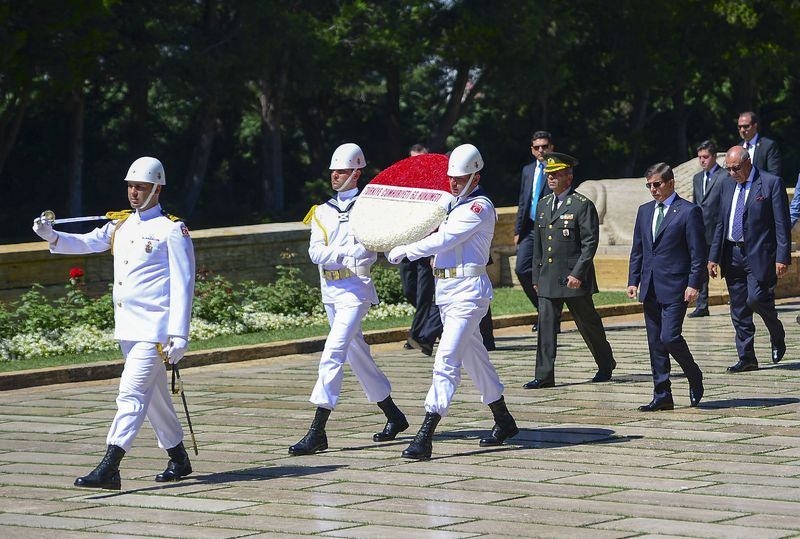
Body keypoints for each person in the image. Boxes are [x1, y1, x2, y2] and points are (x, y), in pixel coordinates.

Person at [31, 156, 195, 490]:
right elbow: (88, 241)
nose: (134, 193)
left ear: (157, 189)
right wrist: (52, 236)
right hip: (128, 328)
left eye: (142, 187)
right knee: (156, 398)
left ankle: (110, 466)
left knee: (131, 393)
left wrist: (179, 333)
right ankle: (179, 458)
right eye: (131, 186)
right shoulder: (120, 225)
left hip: (155, 331)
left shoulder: (171, 230)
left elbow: (184, 283)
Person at [387, 143, 518, 460]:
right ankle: (503, 420)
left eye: (460, 178)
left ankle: (425, 435)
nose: (454, 183)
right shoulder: (453, 203)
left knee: (446, 359)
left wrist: (407, 249)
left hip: (468, 293)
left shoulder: (479, 207)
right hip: (447, 293)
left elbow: (445, 239)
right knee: (475, 359)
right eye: (451, 178)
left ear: (476, 176)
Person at [292, 142, 408, 455]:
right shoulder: (322, 211)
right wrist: (345, 253)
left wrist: (347, 255)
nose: (334, 175)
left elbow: (372, 247)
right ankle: (394, 416)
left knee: (333, 352)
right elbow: (316, 252)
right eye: (333, 170)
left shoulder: (369, 206)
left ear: (357, 172)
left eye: (341, 170)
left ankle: (317, 430)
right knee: (357, 355)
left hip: (356, 289)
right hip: (330, 290)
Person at [523, 152, 616, 389]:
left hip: (574, 278)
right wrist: (536, 276)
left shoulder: (581, 205)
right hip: (548, 278)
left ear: (569, 176)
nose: (551, 179)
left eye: (556, 174)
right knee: (545, 328)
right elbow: (539, 246)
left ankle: (605, 363)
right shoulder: (544, 205)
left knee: (588, 324)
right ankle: (544, 375)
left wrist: (578, 273)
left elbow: (589, 244)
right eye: (549, 175)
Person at [628, 163, 706, 411]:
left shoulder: (688, 211)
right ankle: (662, 394)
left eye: (657, 184)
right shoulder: (644, 211)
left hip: (676, 286)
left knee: (669, 337)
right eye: (649, 185)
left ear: (670, 182)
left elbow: (697, 253)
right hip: (650, 286)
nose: (653, 189)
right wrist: (633, 280)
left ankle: (693, 374)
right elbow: (638, 249)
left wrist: (694, 283)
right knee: (655, 343)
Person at [708, 145, 791, 372]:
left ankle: (776, 331)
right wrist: (713, 256)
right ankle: (747, 358)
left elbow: (782, 225)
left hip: (759, 254)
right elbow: (720, 223)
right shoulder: (726, 184)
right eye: (729, 169)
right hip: (731, 253)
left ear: (748, 162)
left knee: (755, 299)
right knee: (738, 307)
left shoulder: (770, 182)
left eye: (736, 168)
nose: (732, 173)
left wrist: (782, 257)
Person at [399, 144, 442, 356]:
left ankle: (417, 336)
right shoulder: (404, 183)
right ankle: (432, 323)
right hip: (407, 245)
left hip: (427, 247)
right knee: (410, 290)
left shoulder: (437, 183)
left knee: (425, 294)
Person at [514, 131, 554, 329]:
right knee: (521, 269)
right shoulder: (528, 170)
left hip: (551, 228)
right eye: (537, 147)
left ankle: (549, 319)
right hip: (529, 229)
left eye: (544, 146)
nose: (541, 150)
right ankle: (543, 311)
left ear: (551, 148)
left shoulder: (559, 168)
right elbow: (523, 201)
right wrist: (516, 231)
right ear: (532, 150)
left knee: (548, 274)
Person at [688, 140, 726, 318]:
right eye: (700, 157)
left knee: (727, 266)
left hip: (719, 230)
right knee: (700, 268)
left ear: (714, 157)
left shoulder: (725, 176)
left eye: (705, 157)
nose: (702, 160)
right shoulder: (697, 178)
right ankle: (702, 305)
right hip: (700, 232)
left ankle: (738, 301)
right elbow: (696, 204)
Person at [737, 111, 781, 178]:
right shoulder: (738, 148)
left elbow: (774, 174)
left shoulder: (768, 146)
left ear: (755, 126)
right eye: (740, 127)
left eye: (746, 126)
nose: (742, 130)